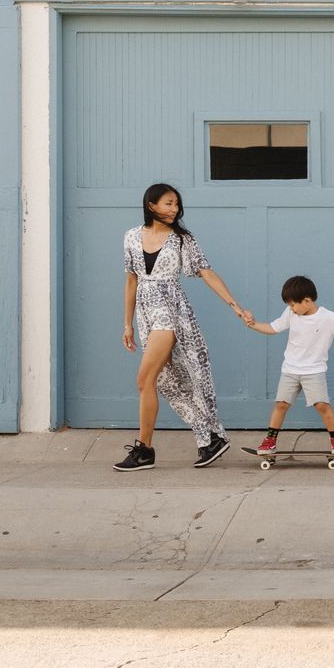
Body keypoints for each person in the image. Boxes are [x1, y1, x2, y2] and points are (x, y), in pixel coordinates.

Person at [117, 182, 251, 472]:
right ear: (151, 204)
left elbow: (206, 271)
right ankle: (210, 437)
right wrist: (127, 324)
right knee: (166, 382)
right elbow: (131, 281)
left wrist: (235, 306)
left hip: (171, 313)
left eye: (176, 204)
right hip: (145, 315)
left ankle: (145, 450)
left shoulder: (182, 239)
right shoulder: (130, 237)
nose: (174, 209)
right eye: (168, 203)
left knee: (144, 380)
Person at [244, 275, 334, 458]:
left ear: (307, 301)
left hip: (313, 371)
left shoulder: (328, 318)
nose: (291, 308)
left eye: (293, 304)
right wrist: (252, 324)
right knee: (281, 405)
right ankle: (270, 441)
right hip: (290, 370)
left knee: (322, 406)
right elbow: (272, 328)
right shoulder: (290, 314)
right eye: (289, 305)